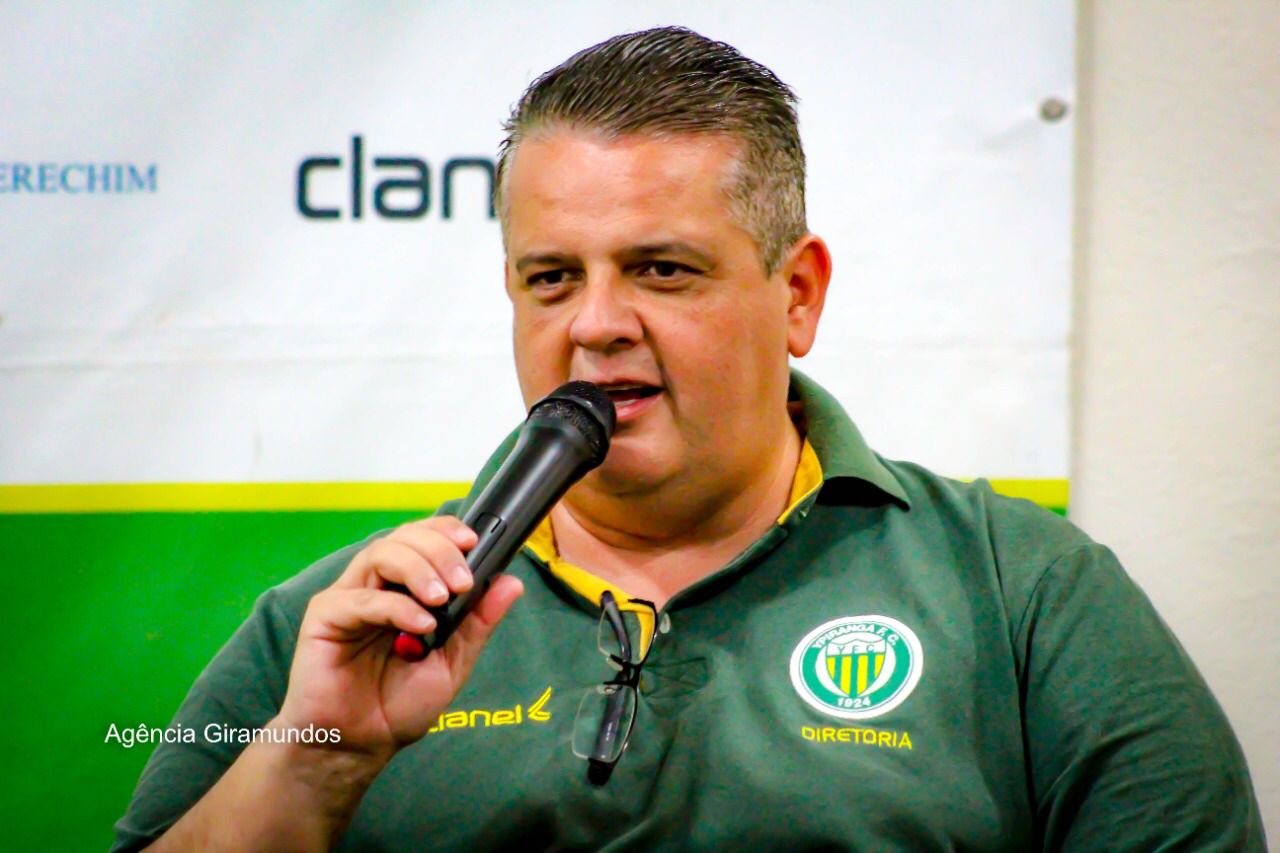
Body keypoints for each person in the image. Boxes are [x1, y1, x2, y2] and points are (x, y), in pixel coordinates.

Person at [114, 26, 1266, 852]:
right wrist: (314, 760)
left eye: (660, 270)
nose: (595, 323)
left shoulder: (1025, 595)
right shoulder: (340, 630)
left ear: (796, 295)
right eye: (550, 278)